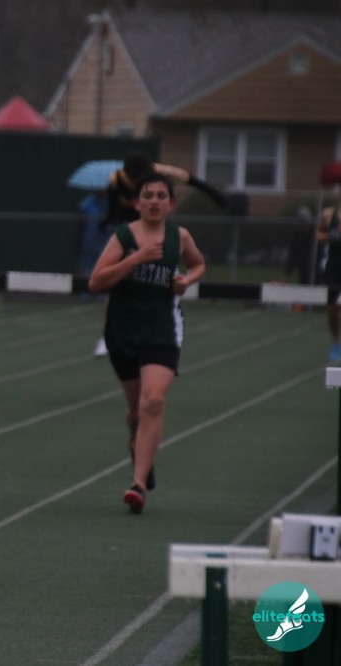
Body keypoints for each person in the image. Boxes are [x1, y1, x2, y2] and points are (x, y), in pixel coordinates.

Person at [88, 172, 206, 514]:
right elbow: (96, 281)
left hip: (161, 330)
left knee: (153, 401)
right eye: (148, 195)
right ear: (137, 203)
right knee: (137, 411)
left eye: (161, 196)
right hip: (124, 330)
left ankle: (137, 484)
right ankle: (139, 447)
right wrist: (135, 259)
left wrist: (187, 280)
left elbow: (198, 264)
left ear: (171, 203)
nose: (154, 201)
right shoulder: (124, 236)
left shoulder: (179, 236)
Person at [91, 151, 226, 357]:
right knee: (116, 288)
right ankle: (108, 337)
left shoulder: (159, 172)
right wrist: (108, 223)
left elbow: (187, 178)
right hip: (129, 232)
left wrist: (214, 194)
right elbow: (113, 210)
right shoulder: (115, 181)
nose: (141, 185)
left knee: (159, 278)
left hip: (155, 230)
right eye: (139, 185)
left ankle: (161, 328)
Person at [316, 190, 341, 361]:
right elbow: (319, 234)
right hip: (333, 266)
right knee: (332, 307)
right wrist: (330, 235)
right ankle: (336, 342)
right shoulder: (328, 214)